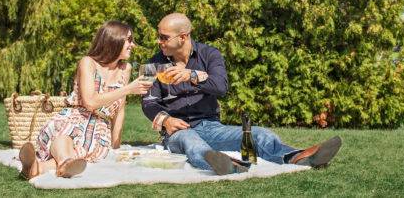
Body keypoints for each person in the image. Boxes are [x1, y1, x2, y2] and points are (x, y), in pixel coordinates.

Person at [142, 13, 342, 175]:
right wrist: (166, 120)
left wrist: (192, 75)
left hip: (211, 126)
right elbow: (148, 101)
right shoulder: (153, 63)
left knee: (260, 134)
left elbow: (221, 87)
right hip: (178, 130)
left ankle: (297, 157)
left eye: (163, 37)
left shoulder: (210, 54)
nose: (158, 41)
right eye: (159, 36)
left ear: (183, 36)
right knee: (190, 141)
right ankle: (224, 164)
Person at [19, 20, 153, 179]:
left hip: (99, 128)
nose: (133, 45)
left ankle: (37, 168)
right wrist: (129, 89)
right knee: (65, 136)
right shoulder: (88, 62)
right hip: (74, 117)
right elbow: (90, 102)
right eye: (129, 40)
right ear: (114, 40)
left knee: (85, 147)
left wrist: (115, 148)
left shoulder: (126, 69)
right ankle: (64, 163)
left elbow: (120, 110)